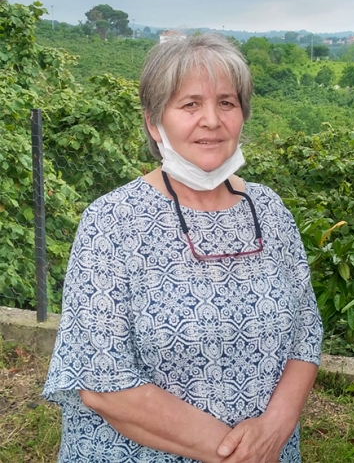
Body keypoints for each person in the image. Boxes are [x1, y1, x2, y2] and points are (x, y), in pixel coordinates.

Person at [43, 33, 323, 463]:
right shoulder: (112, 221)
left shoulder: (269, 210)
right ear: (155, 123)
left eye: (226, 103)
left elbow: (306, 334)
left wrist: (273, 431)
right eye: (190, 104)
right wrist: (237, 454)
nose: (211, 120)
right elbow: (103, 382)